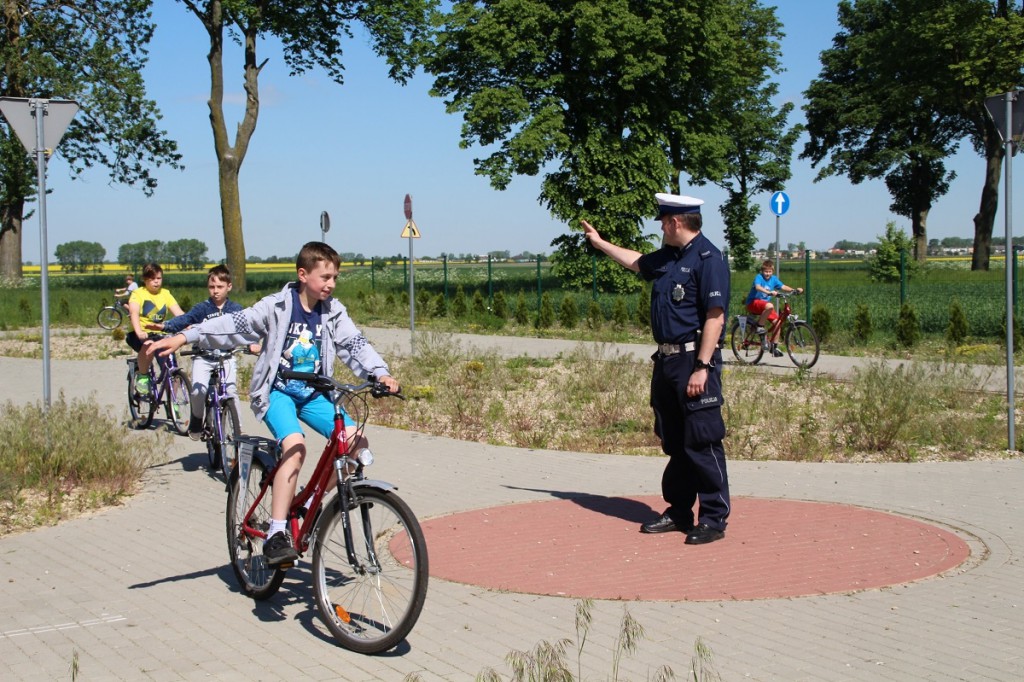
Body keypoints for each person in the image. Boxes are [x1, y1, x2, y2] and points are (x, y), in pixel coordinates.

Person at [146, 241, 400, 565]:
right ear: (303, 274)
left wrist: (380, 374)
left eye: (335, 277)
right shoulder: (277, 306)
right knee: (295, 447)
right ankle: (277, 532)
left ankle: (309, 505)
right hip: (277, 391)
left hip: (314, 393)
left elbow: (354, 343)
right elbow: (233, 326)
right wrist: (186, 336)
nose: (331, 284)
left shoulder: (332, 310)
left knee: (354, 441)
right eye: (325, 277)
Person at [581, 192, 730, 545]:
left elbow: (715, 316)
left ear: (675, 222)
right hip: (666, 362)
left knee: (703, 442)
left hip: (694, 361)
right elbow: (638, 263)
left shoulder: (708, 258)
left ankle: (713, 519)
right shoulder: (670, 257)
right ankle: (679, 511)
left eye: (663, 222)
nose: (661, 227)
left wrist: (702, 367)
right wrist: (601, 244)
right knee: (676, 443)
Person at [148, 264, 256, 440]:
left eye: (220, 287)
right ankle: (197, 420)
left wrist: (252, 344)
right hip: (203, 357)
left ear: (229, 287)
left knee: (231, 391)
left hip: (226, 357)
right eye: (212, 287)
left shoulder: (235, 309)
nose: (215, 291)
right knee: (199, 390)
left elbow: (247, 328)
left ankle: (238, 430)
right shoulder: (202, 308)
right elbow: (184, 319)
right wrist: (165, 326)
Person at [127, 263, 185, 395]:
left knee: (171, 365)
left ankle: (172, 401)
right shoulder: (138, 294)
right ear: (145, 279)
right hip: (141, 334)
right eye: (152, 279)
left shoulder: (165, 294)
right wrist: (139, 332)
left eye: (159, 278)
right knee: (148, 345)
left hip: (161, 334)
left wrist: (190, 325)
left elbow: (179, 313)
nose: (156, 282)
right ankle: (142, 376)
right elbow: (134, 313)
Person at [743, 259, 803, 358]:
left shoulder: (774, 279)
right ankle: (760, 326)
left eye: (769, 271)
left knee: (778, 323)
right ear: (762, 271)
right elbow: (757, 287)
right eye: (766, 271)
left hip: (765, 306)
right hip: (753, 303)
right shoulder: (758, 277)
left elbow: (783, 286)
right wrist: (768, 292)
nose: (767, 273)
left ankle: (774, 348)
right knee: (770, 305)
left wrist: (794, 290)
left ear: (772, 271)